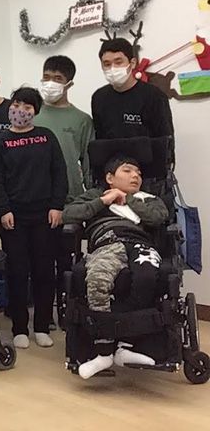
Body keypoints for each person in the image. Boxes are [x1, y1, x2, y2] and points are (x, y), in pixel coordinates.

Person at [63, 156, 169, 379]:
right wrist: (104, 200)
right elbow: (69, 214)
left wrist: (127, 198)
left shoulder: (149, 198)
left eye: (138, 173)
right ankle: (104, 351)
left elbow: (158, 217)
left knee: (146, 277)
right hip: (107, 241)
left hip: (140, 243)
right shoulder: (95, 195)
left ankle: (125, 345)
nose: (135, 176)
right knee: (97, 279)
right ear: (110, 178)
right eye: (128, 171)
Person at [0, 87, 68, 350]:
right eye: (16, 104)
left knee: (44, 271)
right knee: (17, 271)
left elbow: (59, 173)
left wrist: (57, 206)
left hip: (45, 215)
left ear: (36, 111)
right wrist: (3, 210)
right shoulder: (0, 141)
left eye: (27, 106)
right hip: (14, 217)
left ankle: (42, 326)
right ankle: (20, 328)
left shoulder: (46, 137)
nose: (20, 110)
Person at [35, 55, 95, 328]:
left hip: (70, 201)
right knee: (41, 260)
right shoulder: (33, 115)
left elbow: (89, 164)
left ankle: (68, 311)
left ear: (69, 83)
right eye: (46, 77)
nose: (50, 83)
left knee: (67, 260)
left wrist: (92, 200)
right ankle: (43, 314)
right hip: (36, 200)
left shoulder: (82, 120)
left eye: (57, 79)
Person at [91, 38, 174, 143]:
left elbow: (166, 140)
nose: (113, 68)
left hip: (147, 153)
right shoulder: (99, 97)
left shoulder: (154, 96)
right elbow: (99, 140)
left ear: (133, 63)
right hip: (111, 154)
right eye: (107, 64)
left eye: (118, 62)